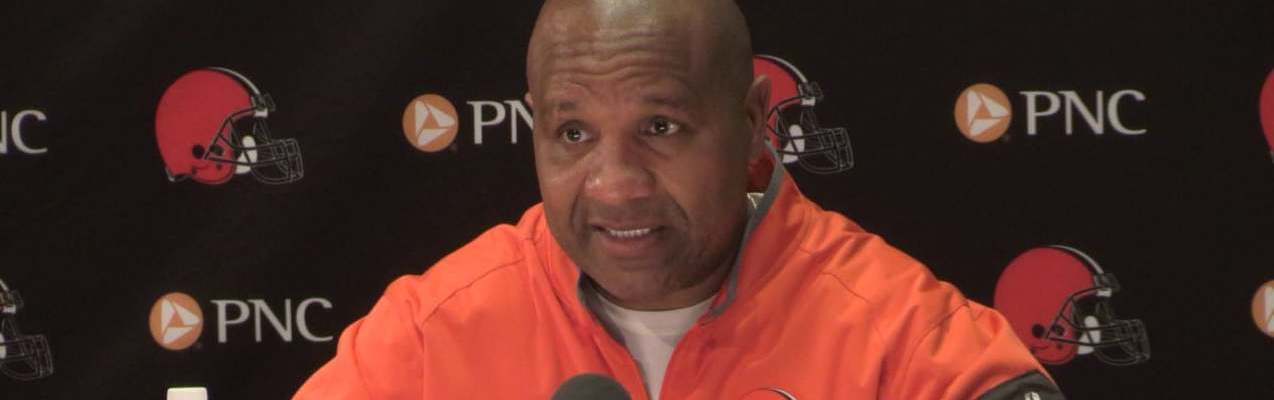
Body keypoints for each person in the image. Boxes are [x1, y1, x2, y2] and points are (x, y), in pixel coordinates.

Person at [294, 0, 1065, 398]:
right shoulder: (430, 335)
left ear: (753, 123)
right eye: (573, 133)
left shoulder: (901, 336)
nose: (614, 184)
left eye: (660, 128)